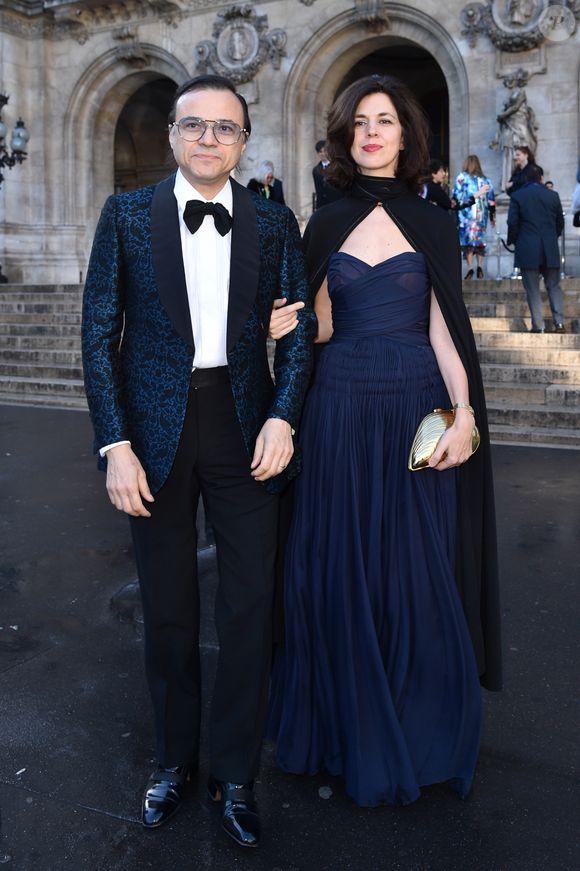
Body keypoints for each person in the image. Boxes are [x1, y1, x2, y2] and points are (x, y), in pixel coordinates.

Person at [81, 74, 316, 848]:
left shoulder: (277, 221)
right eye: (195, 125)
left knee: (250, 608)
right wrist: (114, 443)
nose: (209, 139)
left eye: (226, 128)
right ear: (174, 134)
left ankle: (237, 773)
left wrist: (284, 416)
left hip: (246, 425)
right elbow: (97, 336)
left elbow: (302, 332)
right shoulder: (122, 217)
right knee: (170, 609)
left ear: (245, 141)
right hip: (152, 434)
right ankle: (173, 760)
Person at [266, 74, 501, 809]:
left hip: (410, 405)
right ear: (345, 135)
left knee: (414, 566)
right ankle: (346, 726)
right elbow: (322, 326)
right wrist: (286, 326)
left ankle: (418, 726)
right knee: (335, 565)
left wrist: (464, 414)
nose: (372, 131)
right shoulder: (325, 222)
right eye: (360, 121)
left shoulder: (431, 220)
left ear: (407, 135)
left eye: (386, 120)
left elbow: (442, 326)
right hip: (338, 406)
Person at [507, 164, 566, 333]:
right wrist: (551, 238)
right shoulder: (553, 196)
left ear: (524, 179)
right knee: (554, 286)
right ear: (541, 178)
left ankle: (538, 325)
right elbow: (559, 224)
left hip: (527, 247)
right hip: (549, 247)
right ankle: (559, 322)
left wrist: (513, 241)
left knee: (532, 289)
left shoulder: (518, 196)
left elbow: (513, 223)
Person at [452, 155, 496, 279]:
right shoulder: (486, 180)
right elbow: (491, 200)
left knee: (467, 242)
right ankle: (480, 265)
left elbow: (455, 195)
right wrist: (493, 216)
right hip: (481, 216)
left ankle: (470, 267)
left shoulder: (461, 177)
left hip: (466, 216)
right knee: (480, 241)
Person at [424, 158, 490, 213]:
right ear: (433, 174)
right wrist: (476, 194)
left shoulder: (429, 186)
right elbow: (454, 205)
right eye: (441, 171)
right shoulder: (433, 188)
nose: (444, 174)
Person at [312, 139, 342, 210]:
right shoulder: (316, 170)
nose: (323, 154)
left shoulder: (337, 167)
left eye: (325, 151)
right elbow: (318, 190)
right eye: (320, 152)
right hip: (323, 206)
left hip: (336, 203)